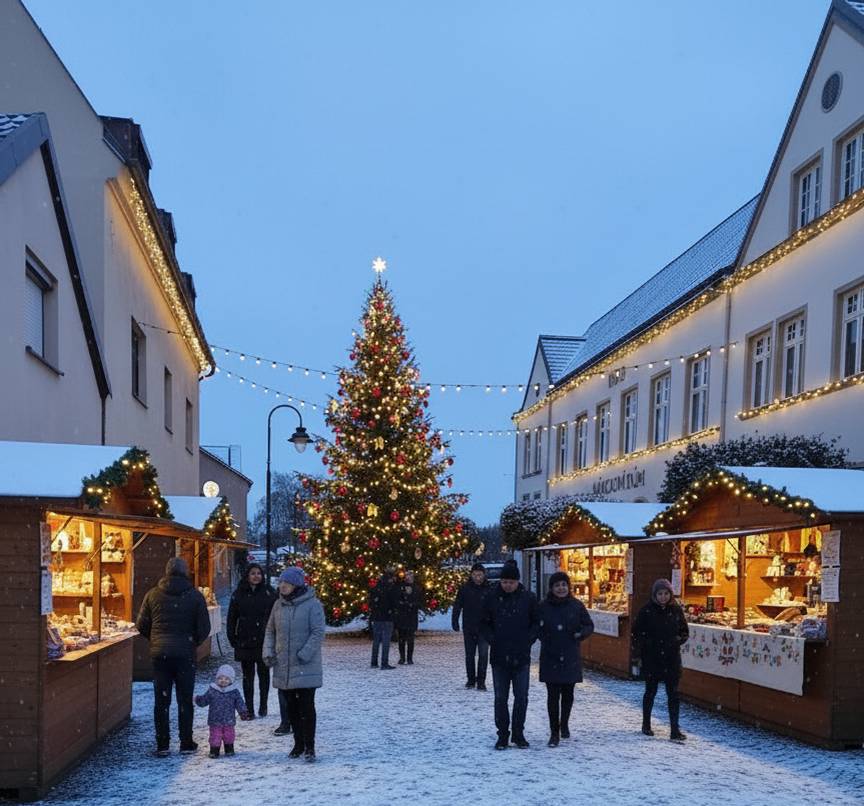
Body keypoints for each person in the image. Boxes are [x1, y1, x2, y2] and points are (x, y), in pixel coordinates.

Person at [136, 556, 211, 757]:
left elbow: (141, 625)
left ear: (166, 571)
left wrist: (156, 640)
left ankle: (163, 744)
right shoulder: (195, 596)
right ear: (185, 572)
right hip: (185, 654)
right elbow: (204, 628)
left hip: (160, 656)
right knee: (185, 700)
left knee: (162, 701)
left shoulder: (152, 595)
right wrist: (191, 642)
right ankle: (186, 742)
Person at [263, 566, 325, 761]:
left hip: (305, 665)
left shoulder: (313, 605)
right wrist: (268, 651)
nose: (282, 586)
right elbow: (270, 631)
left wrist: (304, 653)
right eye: (281, 582)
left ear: (296, 585)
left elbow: (318, 632)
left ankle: (310, 746)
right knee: (291, 708)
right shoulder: (278, 606)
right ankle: (298, 744)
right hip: (284, 665)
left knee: (306, 706)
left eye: (286, 583)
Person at [480, 562, 539, 750]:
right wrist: (493, 639)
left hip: (521, 657)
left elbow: (536, 623)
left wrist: (528, 639)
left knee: (521, 697)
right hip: (499, 656)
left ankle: (518, 733)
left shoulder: (528, 598)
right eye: (504, 581)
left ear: (517, 582)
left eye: (511, 582)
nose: (507, 585)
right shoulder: (492, 597)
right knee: (500, 698)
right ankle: (503, 734)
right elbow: (483, 623)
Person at [537, 571, 594, 747]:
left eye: (563, 585)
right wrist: (544, 636)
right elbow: (535, 625)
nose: (561, 588)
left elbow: (589, 625)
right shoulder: (543, 606)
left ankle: (565, 723)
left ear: (568, 587)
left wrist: (580, 634)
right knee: (553, 696)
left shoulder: (576, 606)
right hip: (551, 655)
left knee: (568, 694)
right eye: (557, 585)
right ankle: (554, 732)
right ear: (551, 588)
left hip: (570, 654)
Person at [632, 578, 689, 742]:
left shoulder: (676, 610)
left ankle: (674, 728)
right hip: (652, 658)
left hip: (671, 658)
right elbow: (636, 633)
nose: (663, 597)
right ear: (654, 595)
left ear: (670, 594)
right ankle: (646, 724)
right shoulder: (646, 611)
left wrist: (677, 640)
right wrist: (647, 644)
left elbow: (684, 630)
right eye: (660, 594)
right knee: (651, 692)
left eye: (666, 593)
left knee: (674, 694)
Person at [226, 564, 278, 723]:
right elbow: (231, 618)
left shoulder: (269, 593)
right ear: (247, 576)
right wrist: (232, 638)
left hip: (264, 640)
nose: (256, 576)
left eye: (259, 573)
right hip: (245, 640)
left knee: (264, 675)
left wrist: (274, 638)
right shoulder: (238, 594)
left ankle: (263, 705)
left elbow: (276, 616)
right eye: (253, 573)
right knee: (247, 677)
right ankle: (249, 708)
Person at [195, 664, 249, 758]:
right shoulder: (213, 690)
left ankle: (229, 749)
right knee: (215, 736)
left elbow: (239, 702)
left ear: (231, 681)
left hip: (229, 720)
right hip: (215, 720)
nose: (223, 680)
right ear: (217, 679)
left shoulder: (234, 692)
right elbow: (205, 700)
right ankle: (214, 750)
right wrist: (197, 699)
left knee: (229, 735)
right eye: (221, 678)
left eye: (226, 679)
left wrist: (243, 712)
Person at [452, 562, 491, 689]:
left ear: (484, 575)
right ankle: (471, 679)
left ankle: (481, 681)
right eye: (475, 575)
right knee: (470, 655)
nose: (477, 577)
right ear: (471, 575)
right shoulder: (465, 589)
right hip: (469, 627)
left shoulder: (489, 589)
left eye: (479, 575)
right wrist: (455, 620)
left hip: (484, 628)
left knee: (483, 655)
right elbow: (458, 605)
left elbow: (495, 608)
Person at [368, 568, 397, 669]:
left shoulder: (375, 588)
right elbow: (394, 603)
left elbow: (371, 603)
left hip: (377, 617)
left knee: (376, 640)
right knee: (386, 641)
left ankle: (374, 662)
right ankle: (384, 663)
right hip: (387, 617)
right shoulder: (391, 589)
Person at [394, 570, 424, 665]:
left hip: (411, 616)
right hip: (402, 616)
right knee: (401, 638)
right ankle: (402, 658)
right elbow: (396, 601)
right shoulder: (400, 588)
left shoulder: (417, 589)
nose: (408, 577)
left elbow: (420, 602)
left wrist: (412, 605)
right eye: (407, 575)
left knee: (410, 639)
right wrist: (403, 604)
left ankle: (410, 658)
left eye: (410, 575)